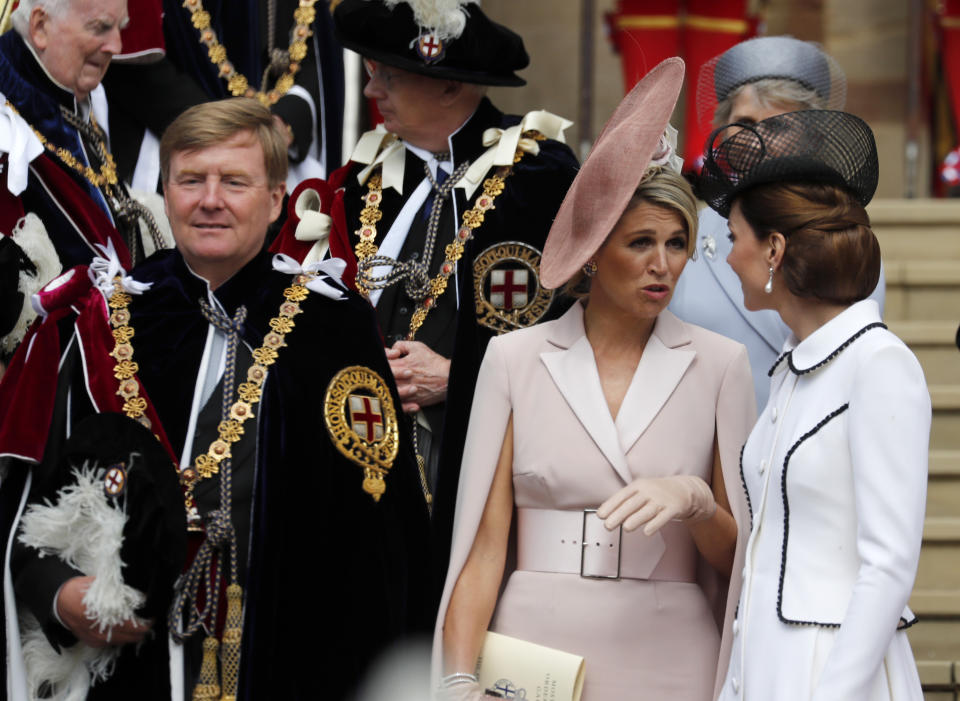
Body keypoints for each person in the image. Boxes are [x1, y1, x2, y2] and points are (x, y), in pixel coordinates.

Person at [0, 98, 431, 700]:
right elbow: (28, 506)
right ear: (165, 190)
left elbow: (382, 531)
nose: (210, 200)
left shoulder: (334, 327)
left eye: (234, 181)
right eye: (191, 180)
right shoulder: (105, 321)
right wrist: (60, 594)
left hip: (287, 656)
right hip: (127, 668)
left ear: (276, 198)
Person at [433, 58, 756, 701]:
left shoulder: (722, 364)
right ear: (593, 249)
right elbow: (482, 549)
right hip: (534, 651)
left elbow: (739, 559)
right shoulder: (514, 359)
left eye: (677, 243)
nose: (662, 265)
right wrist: (459, 678)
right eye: (640, 242)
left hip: (671, 653)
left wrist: (695, 500)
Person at [274, 0, 579, 567]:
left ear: (448, 87)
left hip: (471, 466)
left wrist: (459, 377)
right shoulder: (363, 181)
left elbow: (568, 337)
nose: (371, 92)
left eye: (388, 77)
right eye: (370, 74)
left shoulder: (538, 176)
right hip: (358, 457)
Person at [698, 109, 930, 701]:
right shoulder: (793, 365)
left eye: (734, 240)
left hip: (835, 671)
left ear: (774, 249)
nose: (726, 259)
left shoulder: (880, 364)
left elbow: (889, 568)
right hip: (765, 663)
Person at [669, 36, 886, 409]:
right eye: (745, 123)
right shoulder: (685, 232)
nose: (758, 140)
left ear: (813, 137)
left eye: (780, 126)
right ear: (722, 130)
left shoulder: (847, 235)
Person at [0, 0, 168, 363]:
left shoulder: (78, 95)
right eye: (99, 28)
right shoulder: (6, 115)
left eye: (119, 27)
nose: (117, 46)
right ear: (41, 27)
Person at [102, 0, 345, 193]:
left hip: (281, 153)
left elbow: (319, 42)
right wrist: (233, 135)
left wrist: (284, 123)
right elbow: (133, 54)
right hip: (178, 142)